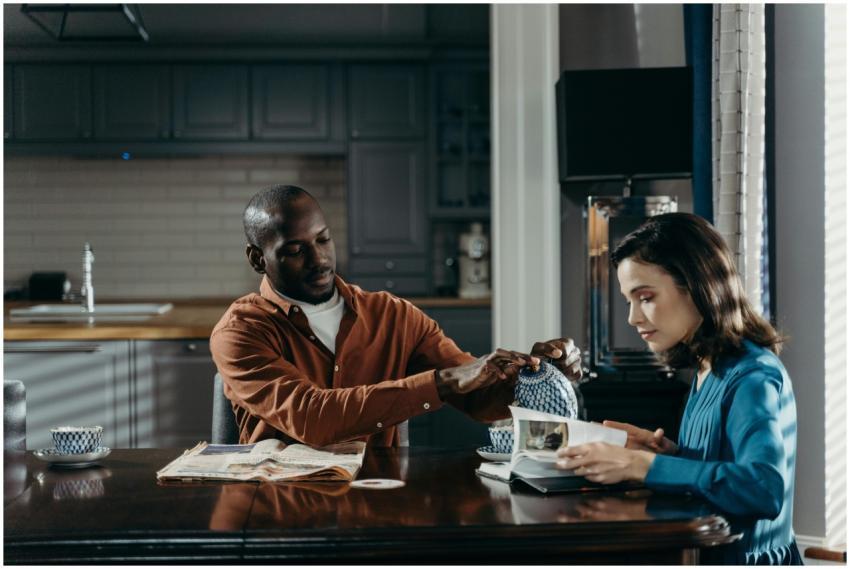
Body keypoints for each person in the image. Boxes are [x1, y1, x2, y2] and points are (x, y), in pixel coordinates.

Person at [210, 185, 583, 448]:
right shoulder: (240, 332)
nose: (319, 259)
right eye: (295, 250)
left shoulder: (394, 316)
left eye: (323, 240)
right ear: (258, 259)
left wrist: (544, 376)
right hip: (278, 508)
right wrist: (443, 381)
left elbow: (482, 401)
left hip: (379, 501)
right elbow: (313, 417)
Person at [555, 212, 801, 565]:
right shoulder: (707, 367)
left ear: (698, 285)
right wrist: (667, 455)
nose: (633, 318)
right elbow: (721, 470)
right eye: (629, 300)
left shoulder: (752, 376)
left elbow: (763, 488)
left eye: (646, 297)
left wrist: (644, 466)